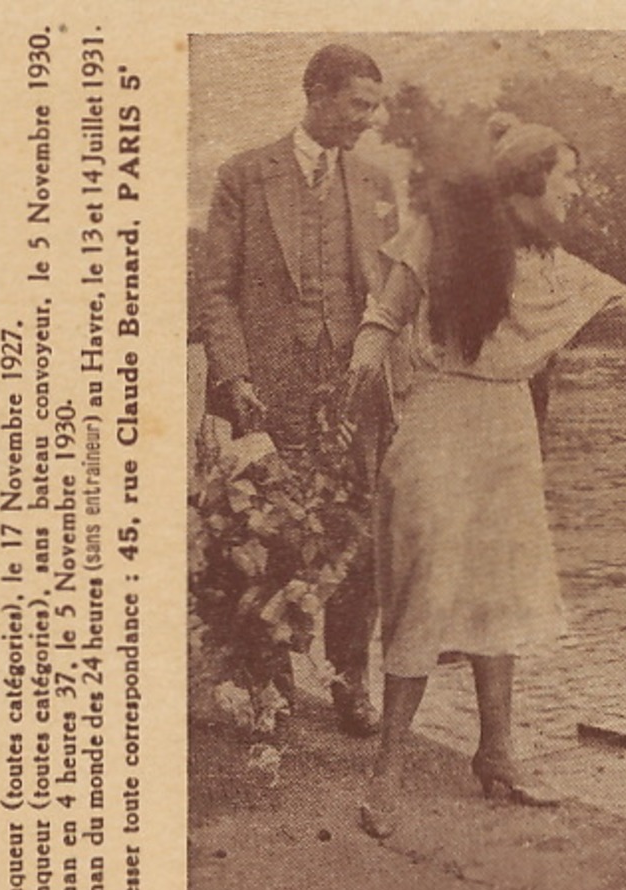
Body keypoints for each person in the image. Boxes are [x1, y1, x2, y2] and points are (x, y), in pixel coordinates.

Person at [350, 113, 626, 837]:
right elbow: (384, 314)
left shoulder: (553, 265)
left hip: (509, 426)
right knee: (425, 585)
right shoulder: (441, 232)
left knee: (499, 592)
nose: (576, 191)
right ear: (528, 180)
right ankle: (386, 771)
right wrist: (360, 365)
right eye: (567, 176)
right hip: (440, 419)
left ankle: (498, 752)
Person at [199, 44, 399, 736]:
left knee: (358, 539)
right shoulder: (246, 176)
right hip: (269, 388)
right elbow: (218, 292)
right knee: (270, 539)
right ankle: (272, 687)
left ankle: (349, 679)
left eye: (374, 106)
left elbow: (396, 296)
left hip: (353, 389)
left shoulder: (375, 183)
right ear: (316, 93)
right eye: (357, 104)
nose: (368, 120)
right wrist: (236, 377)